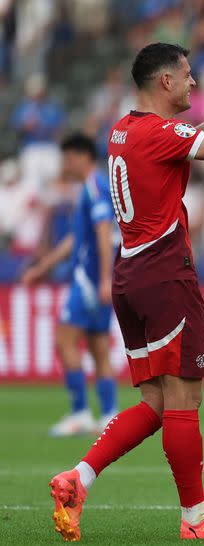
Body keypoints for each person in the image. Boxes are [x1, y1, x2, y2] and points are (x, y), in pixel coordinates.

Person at [48, 44, 204, 541]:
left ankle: (77, 478)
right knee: (183, 399)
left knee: (154, 403)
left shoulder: (124, 129)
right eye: (189, 76)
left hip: (131, 274)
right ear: (165, 82)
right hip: (166, 274)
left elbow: (186, 143)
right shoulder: (156, 133)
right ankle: (197, 518)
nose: (195, 83)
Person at [21, 133, 119, 437]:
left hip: (88, 281)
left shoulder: (94, 188)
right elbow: (77, 238)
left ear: (80, 156)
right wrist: (43, 267)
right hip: (93, 278)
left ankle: (79, 413)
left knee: (65, 341)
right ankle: (109, 415)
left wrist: (104, 279)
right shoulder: (92, 188)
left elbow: (104, 235)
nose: (65, 165)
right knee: (98, 346)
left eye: (67, 158)